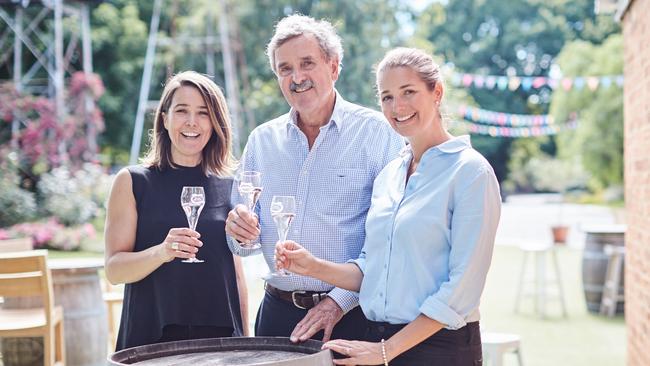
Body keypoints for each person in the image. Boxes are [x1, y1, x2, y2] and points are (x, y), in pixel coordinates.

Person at [275, 47, 501, 365]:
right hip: (378, 341)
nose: (398, 107)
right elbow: (373, 270)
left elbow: (461, 291)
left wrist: (387, 350)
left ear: (436, 92)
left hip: (440, 348)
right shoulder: (389, 175)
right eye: (387, 97)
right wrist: (312, 266)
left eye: (408, 92)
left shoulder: (470, 172)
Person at [225, 14, 404, 343]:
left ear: (334, 67)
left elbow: (392, 239)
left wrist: (338, 302)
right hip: (276, 316)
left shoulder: (379, 134)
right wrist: (239, 231)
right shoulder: (261, 140)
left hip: (352, 316)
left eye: (307, 63)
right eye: (285, 68)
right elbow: (242, 242)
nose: (297, 77)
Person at [104, 71, 248, 351]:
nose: (192, 122)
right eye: (182, 110)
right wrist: (162, 252)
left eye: (203, 113)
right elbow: (113, 271)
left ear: (215, 122)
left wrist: (245, 341)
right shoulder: (133, 181)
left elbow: (236, 274)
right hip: (151, 340)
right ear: (164, 118)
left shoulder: (230, 185)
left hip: (220, 342)